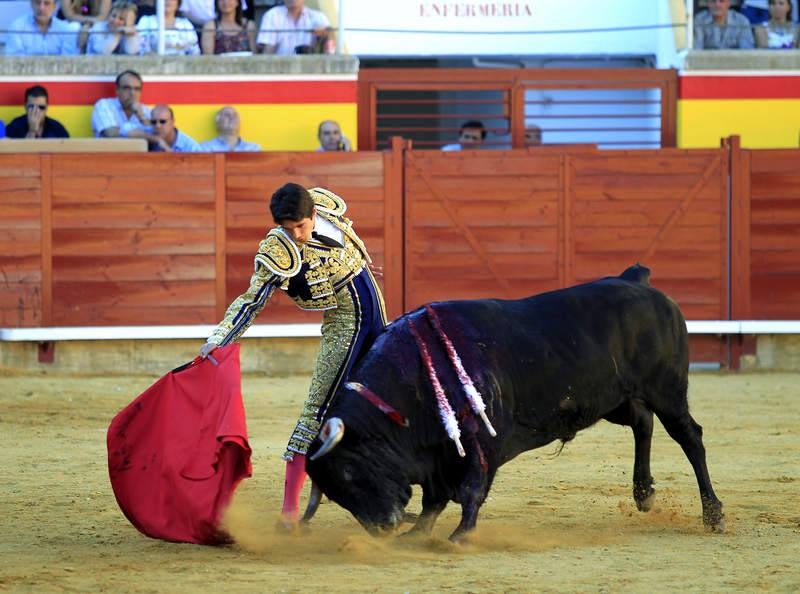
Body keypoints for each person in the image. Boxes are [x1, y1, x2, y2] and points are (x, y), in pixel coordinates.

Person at [199, 183, 387, 530]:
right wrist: (220, 337)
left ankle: (379, 490)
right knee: (317, 410)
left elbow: (352, 253)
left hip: (377, 318)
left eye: (301, 226)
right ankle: (288, 514)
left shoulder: (326, 206)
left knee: (380, 403)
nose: (296, 236)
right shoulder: (279, 248)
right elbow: (252, 299)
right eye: (288, 229)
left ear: (314, 213)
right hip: (345, 330)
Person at [5, 0, 80, 55]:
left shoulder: (65, 29)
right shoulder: (17, 27)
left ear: (54, 7)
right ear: (31, 4)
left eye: (47, 3)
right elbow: (15, 61)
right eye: (37, 2)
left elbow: (67, 63)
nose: (41, 8)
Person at [91, 69, 152, 137]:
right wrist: (146, 135)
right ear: (117, 90)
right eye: (127, 88)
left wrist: (141, 117)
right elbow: (111, 134)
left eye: (137, 89)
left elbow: (157, 136)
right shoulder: (104, 105)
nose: (132, 93)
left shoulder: (147, 111)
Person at [256, 0, 330, 55]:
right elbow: (268, 52)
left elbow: (330, 48)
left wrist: (325, 36)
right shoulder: (272, 15)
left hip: (310, 70)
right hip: (281, 70)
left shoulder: (318, 17)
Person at [5, 85, 69, 139]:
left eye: (41, 107)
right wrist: (32, 131)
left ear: (46, 108)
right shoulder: (14, 127)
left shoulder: (57, 128)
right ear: (25, 107)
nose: (36, 111)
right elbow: (14, 152)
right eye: (31, 107)